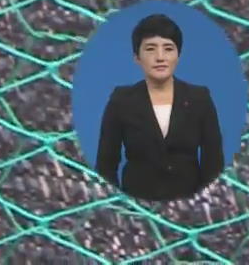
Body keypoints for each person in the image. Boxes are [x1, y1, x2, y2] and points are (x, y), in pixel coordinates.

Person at [94, 13, 224, 201]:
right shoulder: (121, 101)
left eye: (168, 49)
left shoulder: (199, 98)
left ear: (178, 55)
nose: (160, 57)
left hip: (189, 207)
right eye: (150, 49)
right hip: (138, 207)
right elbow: (106, 165)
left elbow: (214, 163)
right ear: (137, 58)